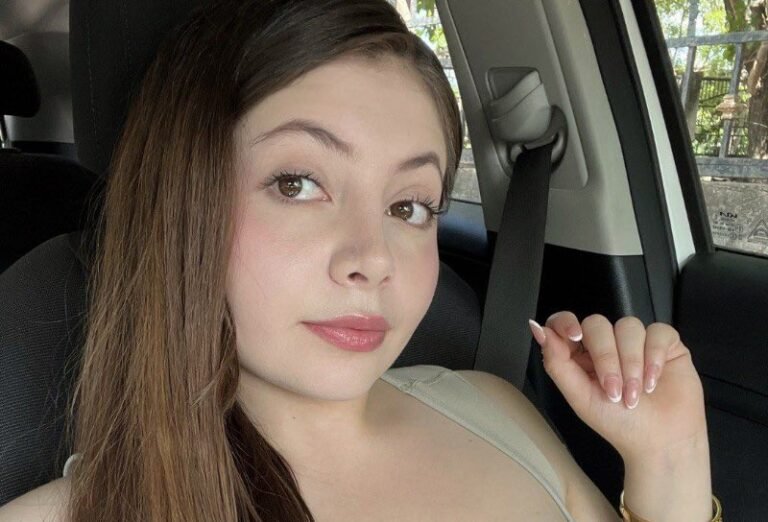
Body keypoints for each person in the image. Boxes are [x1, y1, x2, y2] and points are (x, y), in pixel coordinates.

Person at [0, 0, 719, 520]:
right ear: (181, 205)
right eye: (297, 184)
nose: (373, 259)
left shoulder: (496, 408)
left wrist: (670, 459)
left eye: (410, 206)